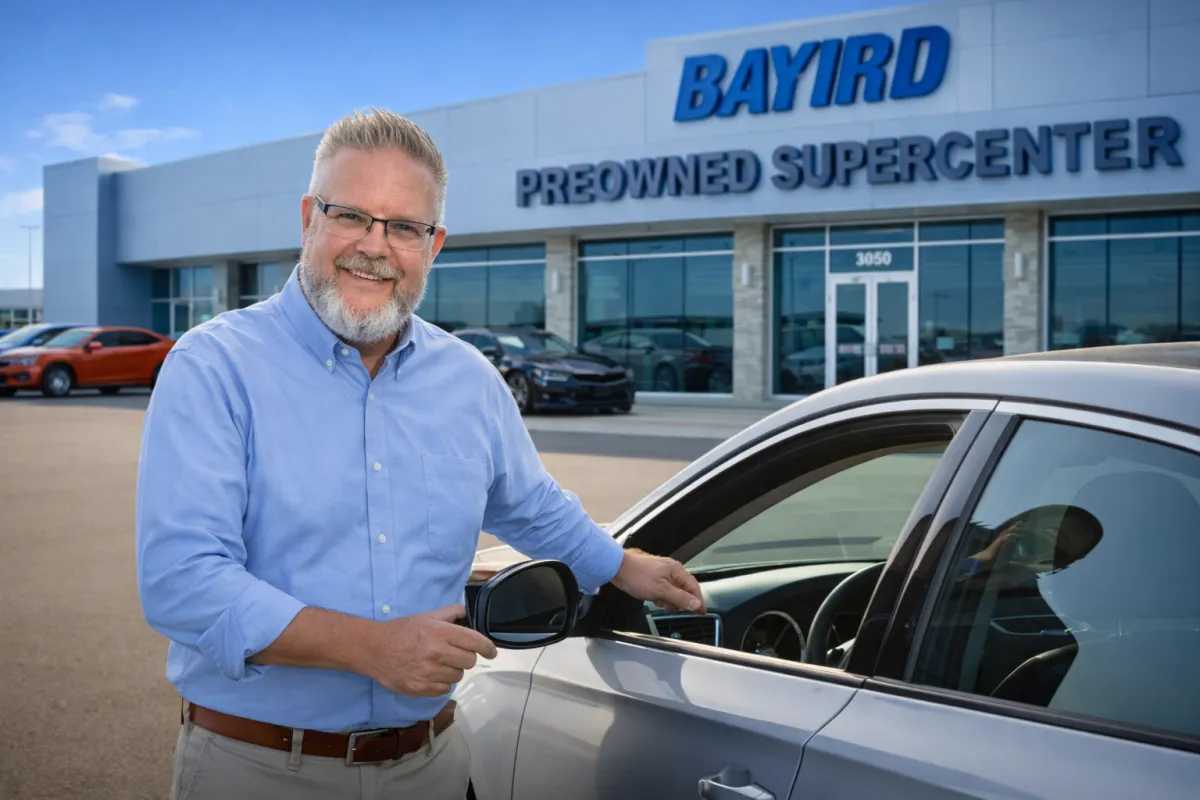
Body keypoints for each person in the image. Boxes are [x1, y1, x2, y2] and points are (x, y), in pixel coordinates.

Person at [135, 107, 705, 800]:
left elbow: (530, 505)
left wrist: (622, 565)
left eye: (403, 226)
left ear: (433, 244)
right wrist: (371, 649)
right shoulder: (215, 367)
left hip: (433, 765)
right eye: (352, 216)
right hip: (259, 770)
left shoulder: (468, 379)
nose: (375, 246)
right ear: (309, 216)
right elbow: (182, 582)